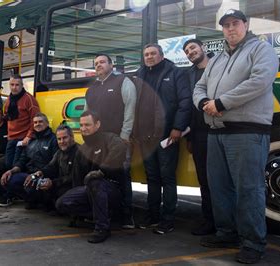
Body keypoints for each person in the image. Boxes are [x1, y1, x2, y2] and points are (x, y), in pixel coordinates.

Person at [193, 9, 279, 264]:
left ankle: (253, 243)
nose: (231, 28)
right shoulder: (217, 59)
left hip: (247, 131)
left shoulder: (261, 50)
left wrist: (222, 102)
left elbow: (260, 81)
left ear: (245, 25)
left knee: (248, 190)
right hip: (216, 131)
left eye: (235, 23)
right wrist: (204, 103)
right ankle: (227, 233)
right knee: (219, 188)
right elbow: (199, 85)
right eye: (226, 25)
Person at [135, 43, 191, 234]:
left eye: (153, 54)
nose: (149, 57)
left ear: (161, 55)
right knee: (151, 177)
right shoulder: (139, 74)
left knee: (167, 177)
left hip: (167, 135)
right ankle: (152, 216)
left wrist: (178, 128)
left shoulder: (175, 73)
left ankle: (168, 220)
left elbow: (185, 102)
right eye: (146, 54)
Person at [56, 111, 127, 243]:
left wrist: (102, 171)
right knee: (61, 203)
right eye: (81, 125)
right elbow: (77, 180)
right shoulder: (81, 150)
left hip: (112, 189)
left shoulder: (110, 138)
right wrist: (75, 215)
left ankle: (102, 228)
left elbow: (120, 148)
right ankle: (99, 216)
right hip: (90, 190)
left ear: (97, 124)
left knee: (95, 182)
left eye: (87, 124)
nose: (83, 128)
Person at [85, 54, 137, 229]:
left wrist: (125, 135)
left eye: (102, 62)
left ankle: (126, 216)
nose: (98, 65)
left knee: (121, 176)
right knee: (97, 175)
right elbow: (86, 116)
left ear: (111, 64)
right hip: (97, 142)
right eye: (96, 63)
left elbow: (130, 109)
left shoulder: (123, 81)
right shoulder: (91, 89)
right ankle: (100, 214)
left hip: (117, 139)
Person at [182, 39, 215, 236]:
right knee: (204, 180)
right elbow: (188, 106)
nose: (190, 52)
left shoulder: (219, 65)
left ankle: (227, 223)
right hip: (199, 134)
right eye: (187, 51)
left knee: (223, 181)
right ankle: (209, 220)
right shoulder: (188, 74)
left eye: (193, 48)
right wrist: (190, 138)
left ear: (203, 47)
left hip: (221, 130)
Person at [0, 112, 57, 209]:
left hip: (45, 175)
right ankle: (31, 200)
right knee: (8, 179)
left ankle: (44, 201)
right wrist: (11, 171)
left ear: (47, 124)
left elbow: (54, 164)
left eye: (40, 122)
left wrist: (37, 175)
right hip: (29, 174)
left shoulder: (53, 140)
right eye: (35, 122)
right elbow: (22, 160)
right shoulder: (31, 140)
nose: (37, 124)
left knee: (33, 183)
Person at [30, 124, 79, 207]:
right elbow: (51, 167)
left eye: (65, 138)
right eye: (59, 139)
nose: (62, 141)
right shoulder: (59, 152)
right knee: (33, 185)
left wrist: (53, 183)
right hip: (60, 184)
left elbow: (73, 177)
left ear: (72, 137)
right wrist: (40, 173)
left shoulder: (79, 152)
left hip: (74, 187)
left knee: (59, 201)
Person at [3, 74, 40, 169]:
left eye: (17, 85)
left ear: (22, 85)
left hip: (23, 139)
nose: (14, 87)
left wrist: (29, 136)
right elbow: (6, 116)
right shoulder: (9, 99)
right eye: (12, 85)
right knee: (7, 165)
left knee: (16, 166)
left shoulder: (29, 99)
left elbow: (35, 119)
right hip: (11, 138)